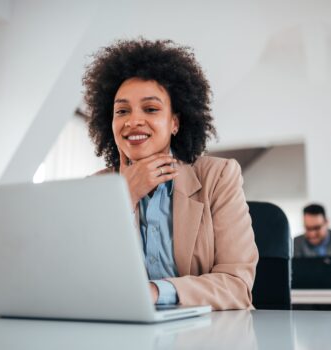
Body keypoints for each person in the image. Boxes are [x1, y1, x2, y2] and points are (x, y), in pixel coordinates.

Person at [82, 38, 258, 310]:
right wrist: (124, 197)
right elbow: (82, 280)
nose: (133, 121)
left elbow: (237, 287)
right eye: (121, 111)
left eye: (150, 109)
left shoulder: (219, 177)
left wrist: (154, 292)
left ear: (174, 122)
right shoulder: (95, 188)